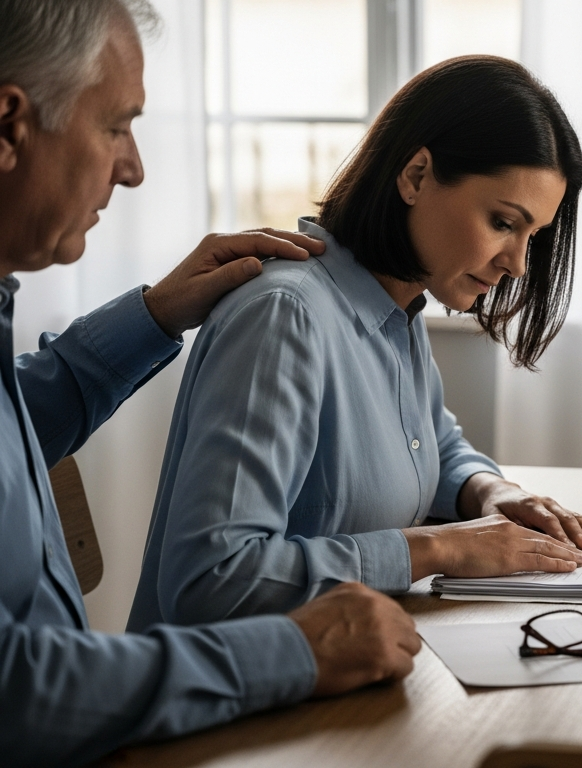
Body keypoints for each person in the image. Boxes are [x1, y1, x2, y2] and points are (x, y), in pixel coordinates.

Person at [0, 2, 422, 765]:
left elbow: (12, 417)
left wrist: (155, 315)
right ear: (8, 126)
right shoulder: (289, 310)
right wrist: (296, 650)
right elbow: (13, 693)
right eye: (116, 126)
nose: (133, 169)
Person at [128, 56, 582, 631]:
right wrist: (442, 549)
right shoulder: (284, 318)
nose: (516, 263)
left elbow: (429, 445)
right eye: (504, 223)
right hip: (225, 708)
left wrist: (490, 492)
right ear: (415, 177)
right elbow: (213, 580)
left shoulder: (397, 309)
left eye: (533, 236)